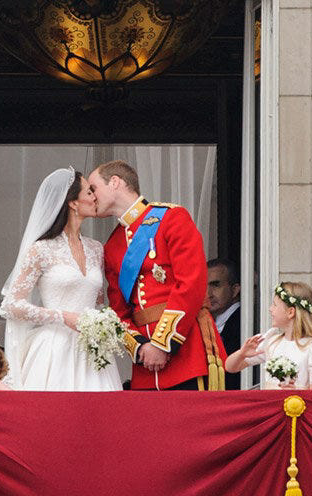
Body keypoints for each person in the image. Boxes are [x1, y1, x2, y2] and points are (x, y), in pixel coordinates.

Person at [88, 160, 226, 390]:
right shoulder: (112, 245)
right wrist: (141, 346)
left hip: (186, 353)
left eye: (94, 188)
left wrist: (162, 344)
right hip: (145, 365)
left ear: (115, 182)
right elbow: (118, 311)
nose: (91, 197)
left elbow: (191, 284)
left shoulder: (172, 218)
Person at [0, 168, 124, 391]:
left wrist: (103, 324)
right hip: (53, 350)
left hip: (92, 351)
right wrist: (63, 316)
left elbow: (98, 304)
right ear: (73, 203)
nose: (95, 197)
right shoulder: (41, 250)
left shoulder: (96, 249)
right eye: (89, 192)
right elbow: (12, 305)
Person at [227, 281, 312, 389]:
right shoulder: (271, 342)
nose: (270, 309)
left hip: (297, 400)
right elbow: (230, 367)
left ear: (290, 312)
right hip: (271, 400)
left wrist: (295, 392)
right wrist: (241, 354)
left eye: (275, 305)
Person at [207, 260, 245, 389]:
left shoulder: (244, 323)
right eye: (204, 286)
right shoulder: (207, 322)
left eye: (215, 285)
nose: (208, 294)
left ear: (235, 290)